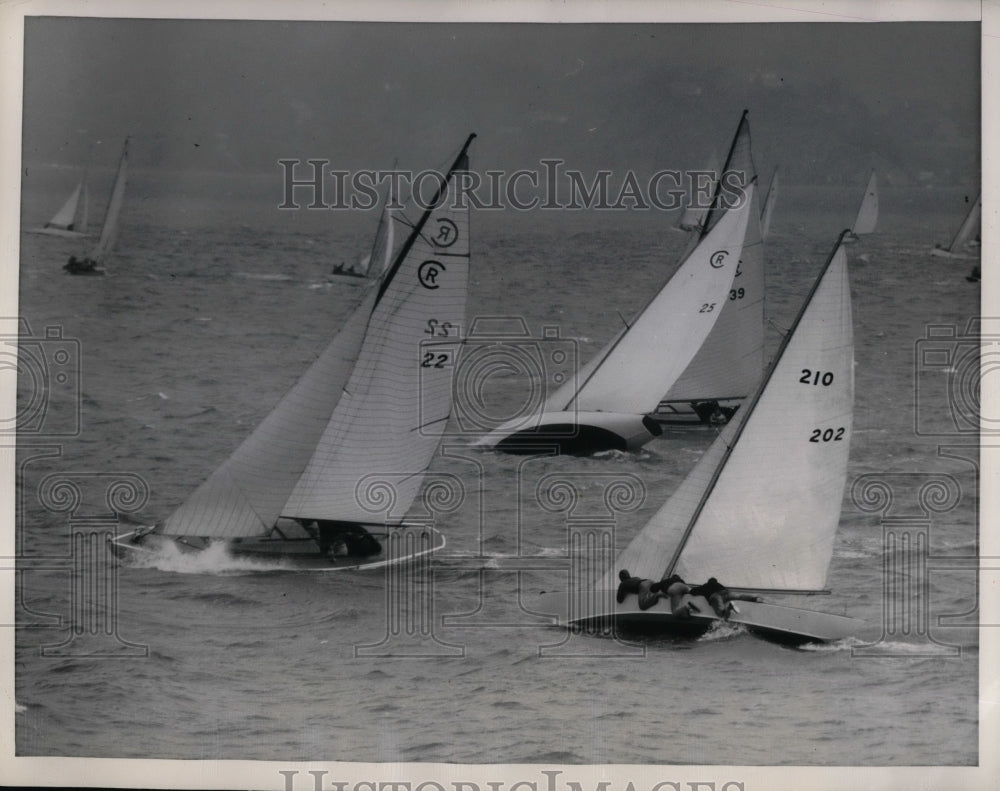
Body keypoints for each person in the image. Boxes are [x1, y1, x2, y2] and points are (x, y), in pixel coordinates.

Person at [688, 577, 762, 618]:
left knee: (720, 613)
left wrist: (688, 591)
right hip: (725, 592)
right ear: (716, 581)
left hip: (715, 596)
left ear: (708, 581)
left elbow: (693, 591)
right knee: (739, 596)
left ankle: (729, 608)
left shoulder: (705, 586)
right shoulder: (719, 584)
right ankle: (755, 598)